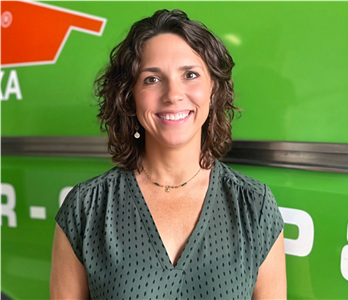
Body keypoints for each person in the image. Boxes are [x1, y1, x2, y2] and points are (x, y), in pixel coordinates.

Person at [50, 9, 286, 300]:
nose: (173, 94)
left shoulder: (254, 206)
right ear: (129, 95)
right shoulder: (86, 208)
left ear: (213, 90)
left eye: (190, 75)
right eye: (151, 79)